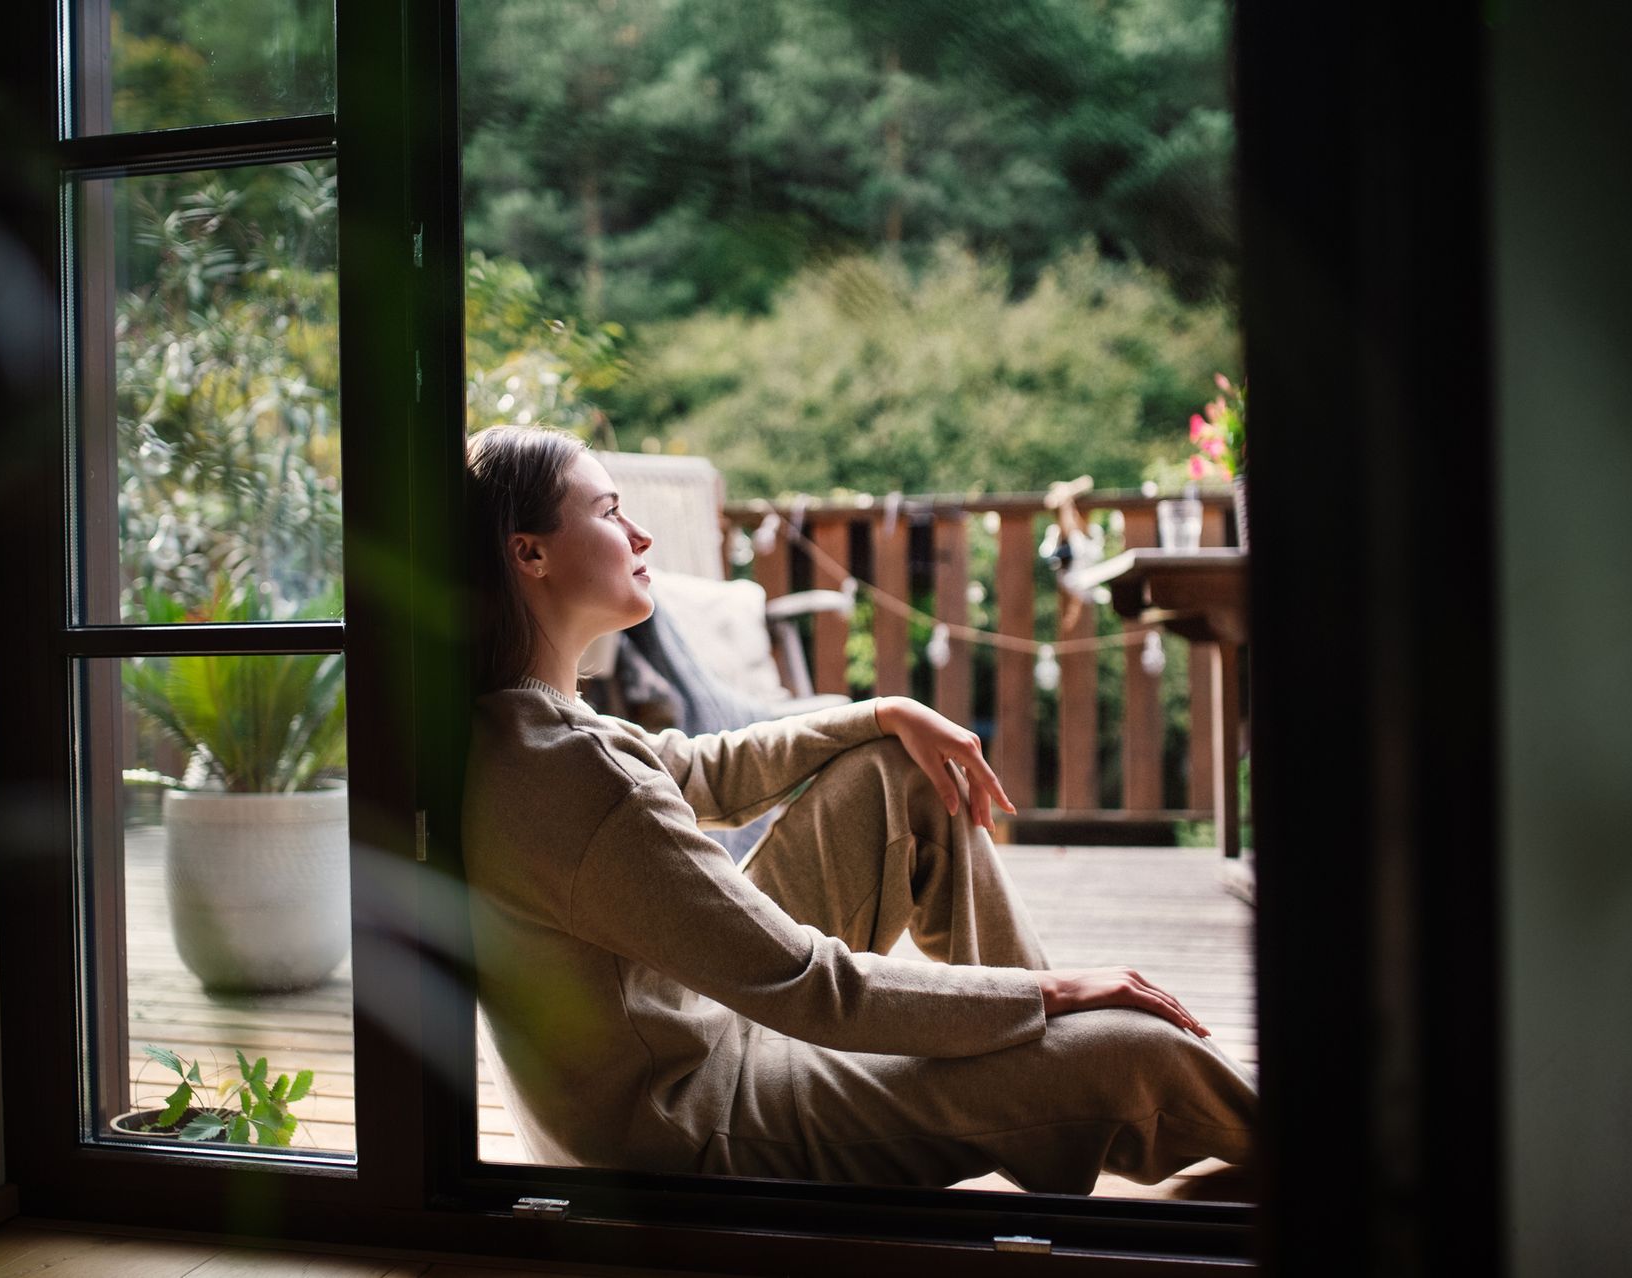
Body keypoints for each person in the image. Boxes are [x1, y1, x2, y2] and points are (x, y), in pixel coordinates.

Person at [461, 423, 1257, 1193]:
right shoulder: (578, 775)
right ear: (528, 553)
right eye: (607, 512)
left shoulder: (521, 727)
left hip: (665, 1065)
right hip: (686, 1126)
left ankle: (1034, 1046)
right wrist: (1060, 993)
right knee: (1136, 1052)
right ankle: (1330, 1156)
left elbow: (698, 768)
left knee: (898, 774)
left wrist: (880, 713)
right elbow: (814, 989)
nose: (640, 536)